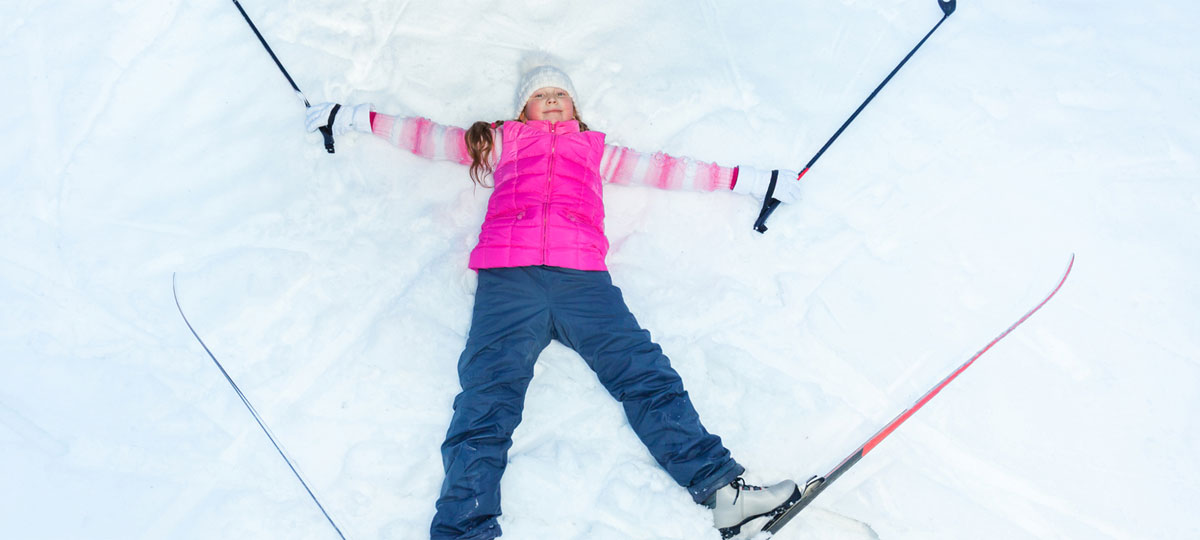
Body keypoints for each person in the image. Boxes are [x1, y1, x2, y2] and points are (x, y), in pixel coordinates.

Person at [306, 63, 806, 540]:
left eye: (559, 94)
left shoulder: (596, 151)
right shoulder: (499, 140)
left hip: (582, 281)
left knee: (645, 375)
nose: (550, 100)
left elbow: (671, 171)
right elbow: (424, 135)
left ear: (575, 110)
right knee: (485, 402)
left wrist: (754, 181)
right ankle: (462, 531)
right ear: (523, 110)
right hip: (509, 281)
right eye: (539, 95)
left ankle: (724, 492)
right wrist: (350, 116)